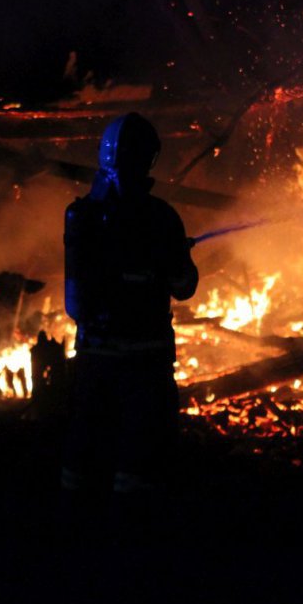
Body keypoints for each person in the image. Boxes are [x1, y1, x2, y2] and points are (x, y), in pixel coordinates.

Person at [61, 113, 198, 533]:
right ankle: (133, 549)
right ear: (150, 160)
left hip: (93, 362)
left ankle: (72, 534)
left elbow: (75, 301)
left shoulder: (80, 215)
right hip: (145, 366)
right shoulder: (161, 218)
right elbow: (184, 286)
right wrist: (178, 254)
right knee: (139, 464)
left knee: (85, 458)